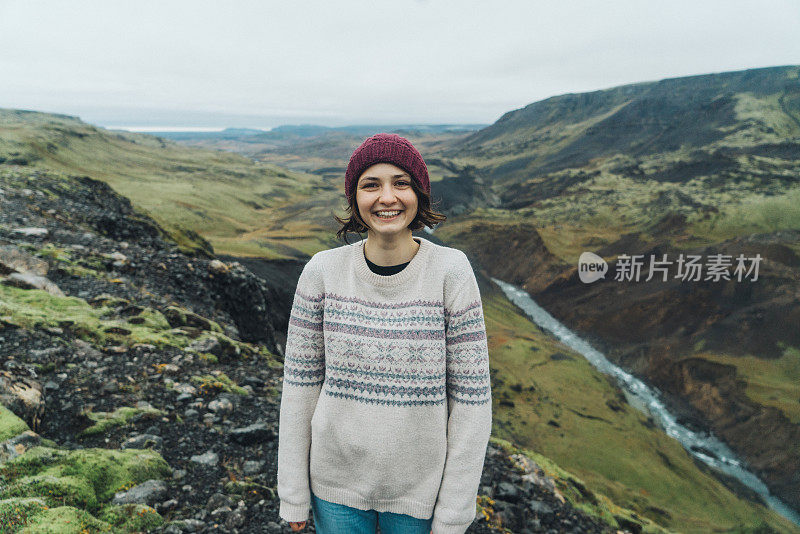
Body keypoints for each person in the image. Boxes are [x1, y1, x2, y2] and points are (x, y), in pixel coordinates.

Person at [277, 133, 492, 534]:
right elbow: (300, 386)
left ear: (420, 195)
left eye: (401, 183)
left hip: (419, 494)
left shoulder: (451, 271)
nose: (387, 197)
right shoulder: (322, 272)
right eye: (370, 185)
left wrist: (454, 512)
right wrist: (293, 493)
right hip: (333, 488)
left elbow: (472, 400)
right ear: (354, 198)